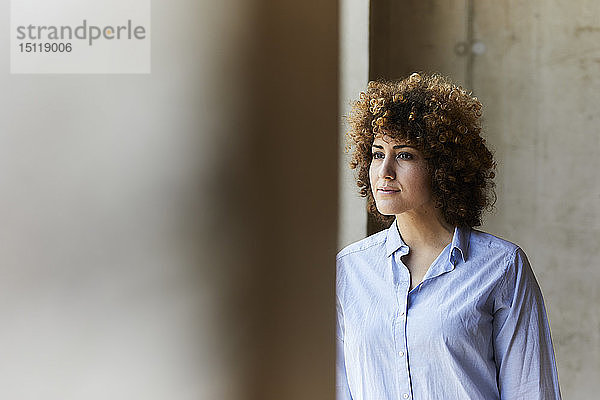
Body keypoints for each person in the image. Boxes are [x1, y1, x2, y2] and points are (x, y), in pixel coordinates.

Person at [336, 73, 562, 400]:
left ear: (442, 167)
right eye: (376, 153)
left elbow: (531, 391)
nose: (384, 171)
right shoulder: (349, 270)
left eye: (404, 155)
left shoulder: (501, 267)